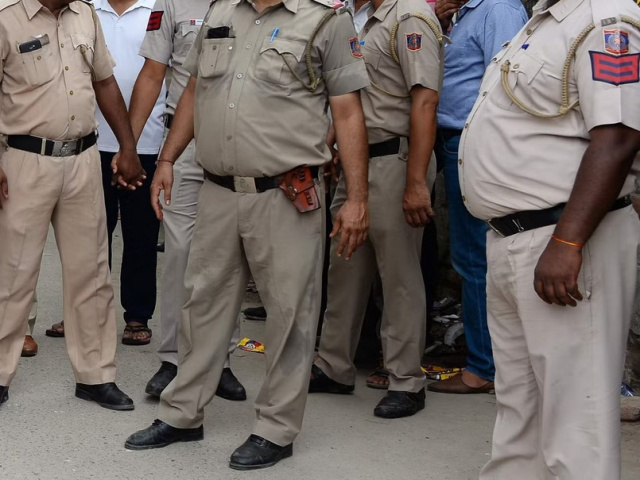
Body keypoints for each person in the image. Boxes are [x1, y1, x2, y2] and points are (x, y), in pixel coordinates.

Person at [125, 0, 370, 469]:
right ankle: (183, 413)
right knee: (201, 303)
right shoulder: (221, 13)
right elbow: (195, 90)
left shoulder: (326, 19)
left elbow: (348, 111)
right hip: (218, 190)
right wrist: (168, 158)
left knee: (289, 312)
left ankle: (275, 428)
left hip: (286, 194)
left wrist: (357, 199)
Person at [459, 0, 640, 477]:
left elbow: (619, 136)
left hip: (563, 239)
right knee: (518, 407)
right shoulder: (542, 21)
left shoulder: (606, 19)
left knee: (578, 421)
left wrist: (568, 242)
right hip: (513, 238)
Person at [0, 0, 145, 410]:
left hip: (83, 159)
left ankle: (95, 376)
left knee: (92, 274)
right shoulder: (6, 17)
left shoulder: (85, 14)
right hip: (24, 160)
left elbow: (105, 82)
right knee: (13, 274)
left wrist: (128, 146)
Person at [309, 0, 442, 418]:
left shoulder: (410, 17)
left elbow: (425, 101)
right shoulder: (365, 19)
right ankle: (334, 366)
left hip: (395, 159)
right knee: (345, 265)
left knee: (398, 275)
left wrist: (416, 182)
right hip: (358, 162)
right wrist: (331, 145)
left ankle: (406, 379)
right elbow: (353, 97)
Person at [128, 0, 246, 400]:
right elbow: (153, 73)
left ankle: (221, 361)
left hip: (238, 142)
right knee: (179, 251)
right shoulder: (172, 3)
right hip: (183, 145)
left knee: (228, 256)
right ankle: (173, 359)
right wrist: (129, 145)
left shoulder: (255, 7)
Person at [426, 0, 527, 394]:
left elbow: (507, 88)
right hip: (454, 142)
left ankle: (484, 367)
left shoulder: (498, 10)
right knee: (469, 255)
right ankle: (482, 355)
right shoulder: (466, 12)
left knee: (475, 257)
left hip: (476, 146)